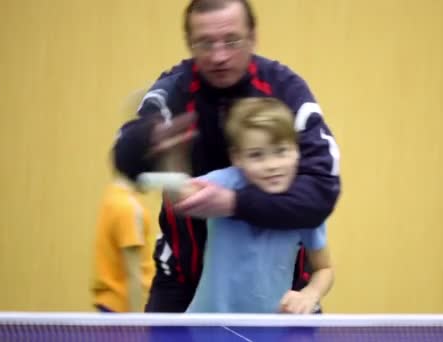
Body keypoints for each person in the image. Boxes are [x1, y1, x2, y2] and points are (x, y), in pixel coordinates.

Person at [113, 0, 340, 312]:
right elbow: (126, 157)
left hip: (281, 289)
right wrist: (147, 142)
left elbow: (322, 191)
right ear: (190, 43)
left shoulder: (287, 91)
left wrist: (234, 204)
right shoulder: (174, 91)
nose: (219, 56)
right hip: (184, 282)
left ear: (253, 36)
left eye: (231, 40)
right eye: (205, 44)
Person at [176, 97, 334, 313]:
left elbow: (324, 268)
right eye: (257, 155)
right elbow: (181, 194)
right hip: (207, 326)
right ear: (237, 158)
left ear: (297, 151)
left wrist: (310, 294)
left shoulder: (304, 207)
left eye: (281, 151)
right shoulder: (227, 182)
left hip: (267, 329)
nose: (271, 165)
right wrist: (170, 161)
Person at [90, 163, 155, 313]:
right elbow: (133, 274)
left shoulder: (112, 196)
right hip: (123, 311)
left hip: (109, 306)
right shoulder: (129, 209)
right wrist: (137, 326)